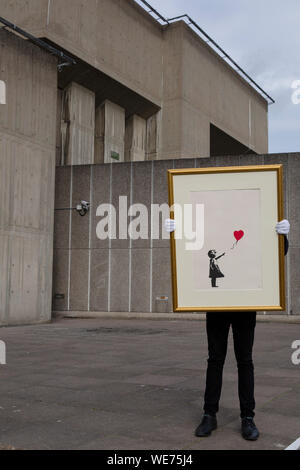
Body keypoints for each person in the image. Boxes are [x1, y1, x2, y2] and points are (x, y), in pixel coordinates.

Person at [165, 218, 290, 441]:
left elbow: (274, 255)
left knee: (245, 360)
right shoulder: (211, 231)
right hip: (217, 305)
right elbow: (189, 255)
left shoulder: (248, 235)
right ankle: (209, 414)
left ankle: (247, 418)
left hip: (245, 304)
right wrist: (176, 235)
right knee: (215, 360)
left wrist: (282, 237)